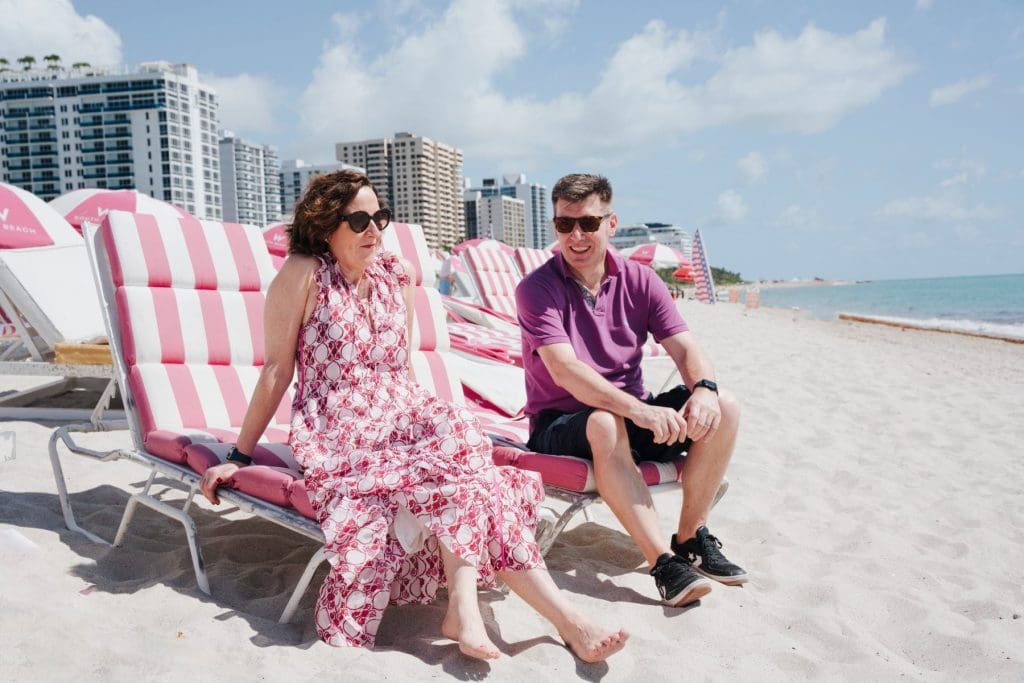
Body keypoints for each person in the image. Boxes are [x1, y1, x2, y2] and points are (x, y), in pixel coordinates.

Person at [198, 170, 627, 662]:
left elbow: (401, 368)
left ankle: (480, 609)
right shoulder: (302, 274)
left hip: (396, 414)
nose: (374, 231)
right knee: (467, 449)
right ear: (324, 225)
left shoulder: (396, 275)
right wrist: (239, 455)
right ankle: (558, 620)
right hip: (338, 427)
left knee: (469, 452)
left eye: (379, 217)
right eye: (358, 220)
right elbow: (277, 370)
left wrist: (423, 433)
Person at [516, 173, 747, 608]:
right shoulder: (537, 289)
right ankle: (663, 563)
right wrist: (639, 412)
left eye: (587, 223)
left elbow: (685, 347)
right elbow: (566, 372)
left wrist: (705, 389)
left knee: (726, 407)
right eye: (565, 225)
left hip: (630, 417)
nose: (576, 236)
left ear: (612, 223)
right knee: (605, 422)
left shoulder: (641, 281)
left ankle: (690, 537)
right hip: (561, 424)